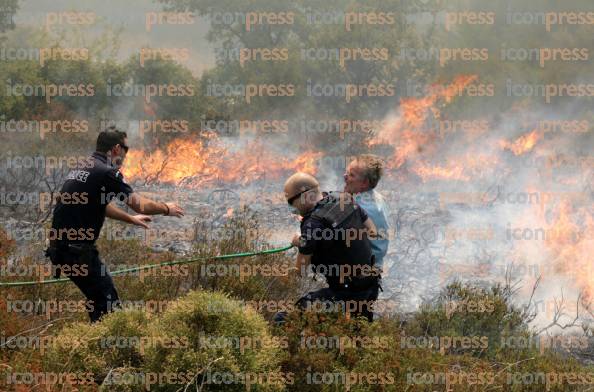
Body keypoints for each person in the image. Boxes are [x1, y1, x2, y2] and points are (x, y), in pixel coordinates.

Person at [46, 127, 184, 322]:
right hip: (76, 252)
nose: (126, 155)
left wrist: (130, 219)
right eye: (126, 149)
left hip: (60, 250)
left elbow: (100, 204)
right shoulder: (107, 172)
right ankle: (105, 347)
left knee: (100, 300)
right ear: (117, 148)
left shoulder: (84, 166)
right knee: (108, 305)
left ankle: (98, 344)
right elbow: (140, 205)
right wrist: (166, 208)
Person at [279, 172, 381, 323]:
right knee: (359, 333)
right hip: (370, 284)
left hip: (345, 293)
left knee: (282, 320)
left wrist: (300, 241)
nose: (292, 207)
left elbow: (300, 271)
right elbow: (372, 231)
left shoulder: (313, 223)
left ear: (303, 196)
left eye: (291, 202)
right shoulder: (343, 198)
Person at [343, 155, 390, 272]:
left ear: (364, 183)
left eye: (351, 175)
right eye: (346, 172)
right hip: (376, 265)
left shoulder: (357, 208)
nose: (345, 176)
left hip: (360, 273)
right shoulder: (377, 197)